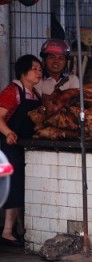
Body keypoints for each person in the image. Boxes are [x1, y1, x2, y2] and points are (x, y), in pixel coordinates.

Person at [0, 55, 43, 247]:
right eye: (34, 68)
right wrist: (8, 132)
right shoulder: (13, 91)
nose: (39, 72)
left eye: (40, 69)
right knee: (14, 187)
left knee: (21, 187)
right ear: (22, 72)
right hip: (8, 146)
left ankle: (20, 230)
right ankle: (7, 232)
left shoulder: (35, 94)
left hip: (23, 147)